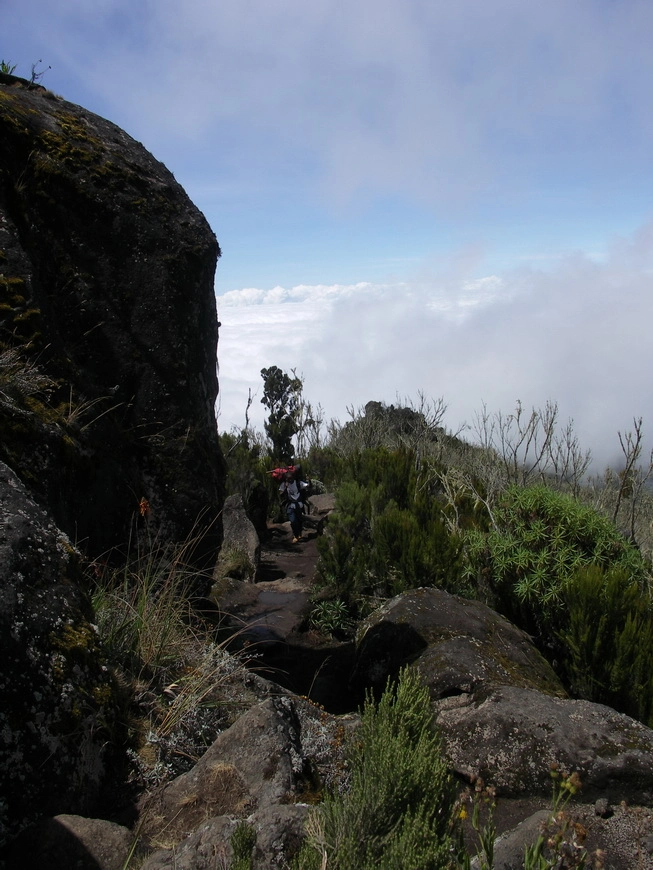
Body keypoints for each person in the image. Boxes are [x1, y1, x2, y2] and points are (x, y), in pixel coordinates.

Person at [279, 470, 310, 543]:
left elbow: (308, 486)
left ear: (293, 477)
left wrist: (309, 480)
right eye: (288, 479)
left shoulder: (298, 483)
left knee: (299, 520)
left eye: (291, 478)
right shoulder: (284, 485)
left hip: (299, 505)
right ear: (286, 479)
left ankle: (299, 534)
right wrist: (285, 488)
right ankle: (296, 535)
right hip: (290, 505)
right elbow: (281, 494)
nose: (289, 480)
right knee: (293, 521)